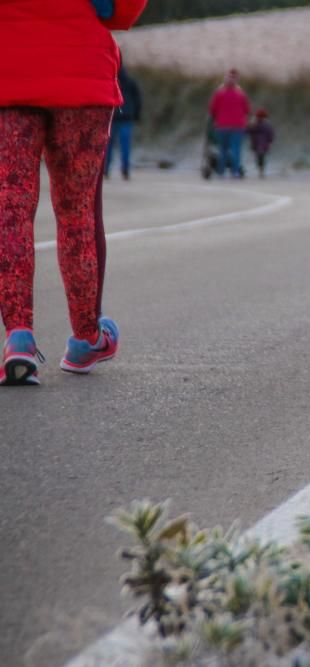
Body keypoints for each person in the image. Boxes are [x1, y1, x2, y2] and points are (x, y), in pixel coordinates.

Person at [0, 0, 147, 387]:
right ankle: (86, 337)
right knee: (77, 212)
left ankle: (18, 337)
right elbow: (123, 11)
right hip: (82, 72)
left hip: (8, 71)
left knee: (11, 209)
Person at [208, 69, 252, 178]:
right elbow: (247, 110)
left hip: (222, 126)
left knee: (222, 149)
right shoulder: (241, 94)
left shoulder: (219, 93)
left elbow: (212, 109)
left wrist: (214, 118)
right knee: (235, 149)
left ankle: (221, 171)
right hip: (237, 126)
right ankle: (235, 172)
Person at [105, 65, 143, 180]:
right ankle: (125, 170)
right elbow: (138, 100)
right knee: (125, 147)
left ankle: (106, 170)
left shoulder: (111, 81)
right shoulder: (131, 82)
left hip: (113, 118)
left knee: (108, 146)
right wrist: (136, 115)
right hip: (127, 118)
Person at [247, 108, 275, 178]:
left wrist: (250, 123)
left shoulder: (255, 124)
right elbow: (271, 134)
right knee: (262, 157)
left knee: (259, 158)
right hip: (264, 145)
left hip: (256, 144)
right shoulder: (268, 125)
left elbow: (247, 131)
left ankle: (260, 171)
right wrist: (270, 141)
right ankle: (262, 171)